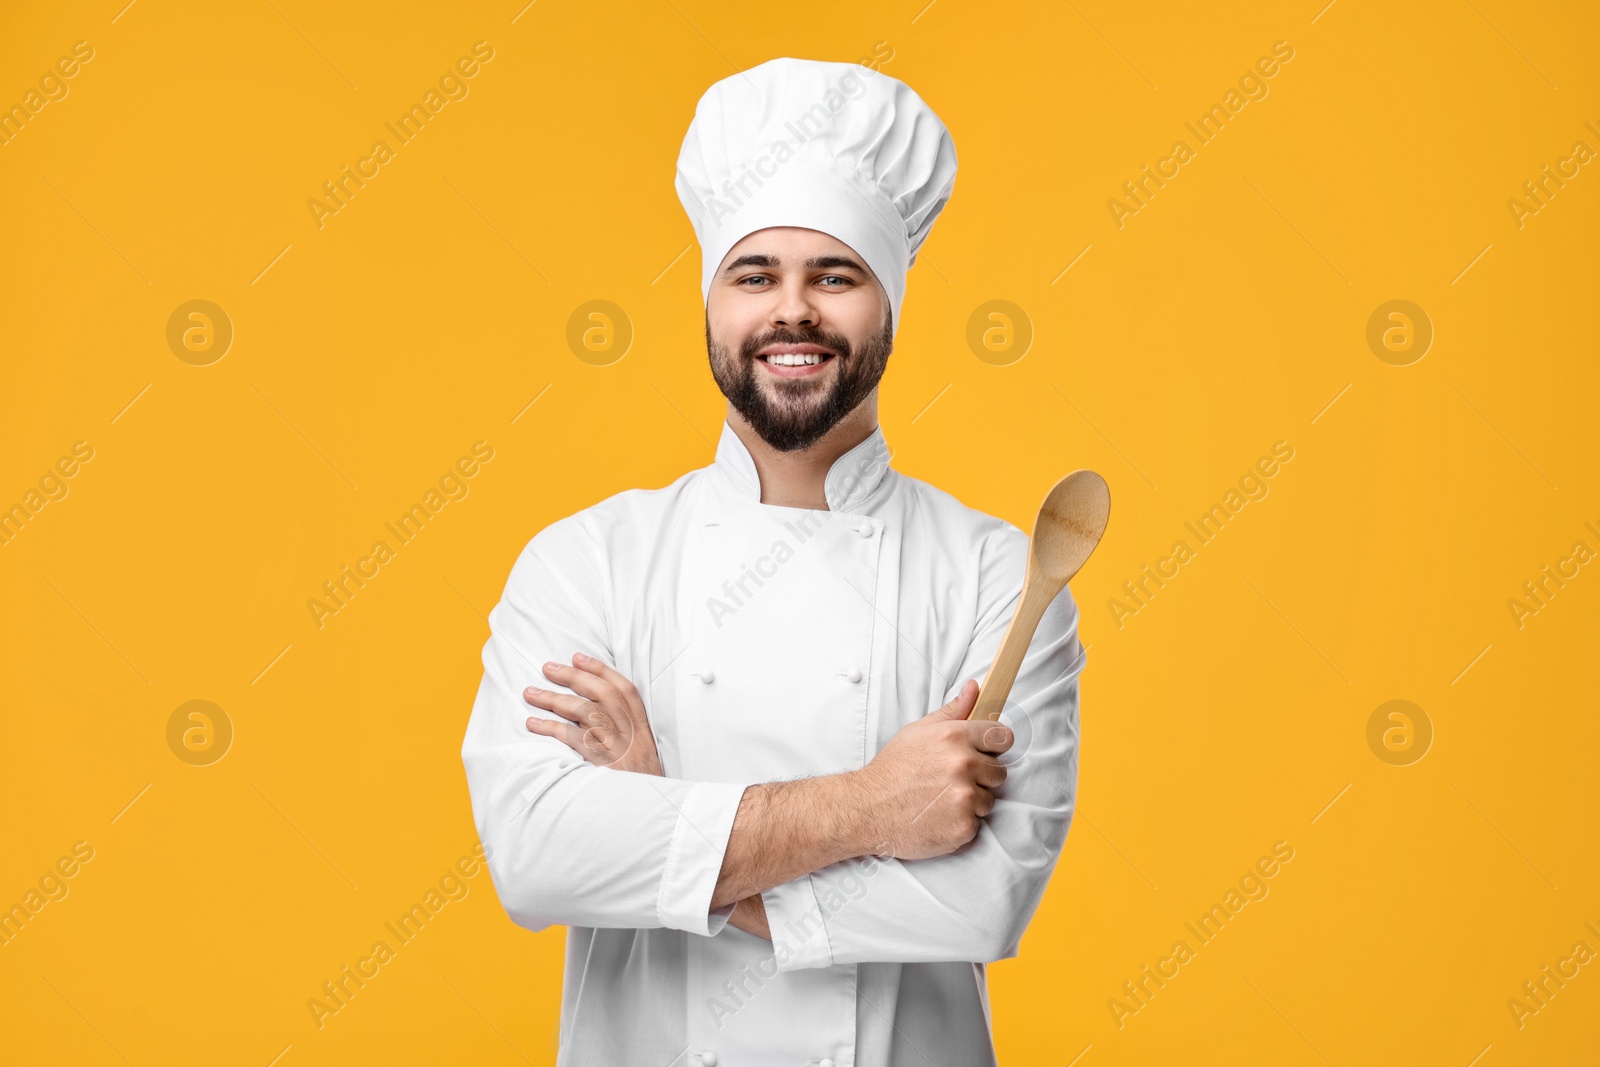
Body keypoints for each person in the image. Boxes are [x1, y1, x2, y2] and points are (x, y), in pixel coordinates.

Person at [460, 56, 1085, 1067]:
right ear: (710, 303)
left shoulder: (997, 574)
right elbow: (536, 855)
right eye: (754, 275)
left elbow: (983, 901)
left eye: (833, 275)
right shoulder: (586, 562)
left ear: (888, 302)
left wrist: (661, 816)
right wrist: (874, 807)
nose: (791, 311)